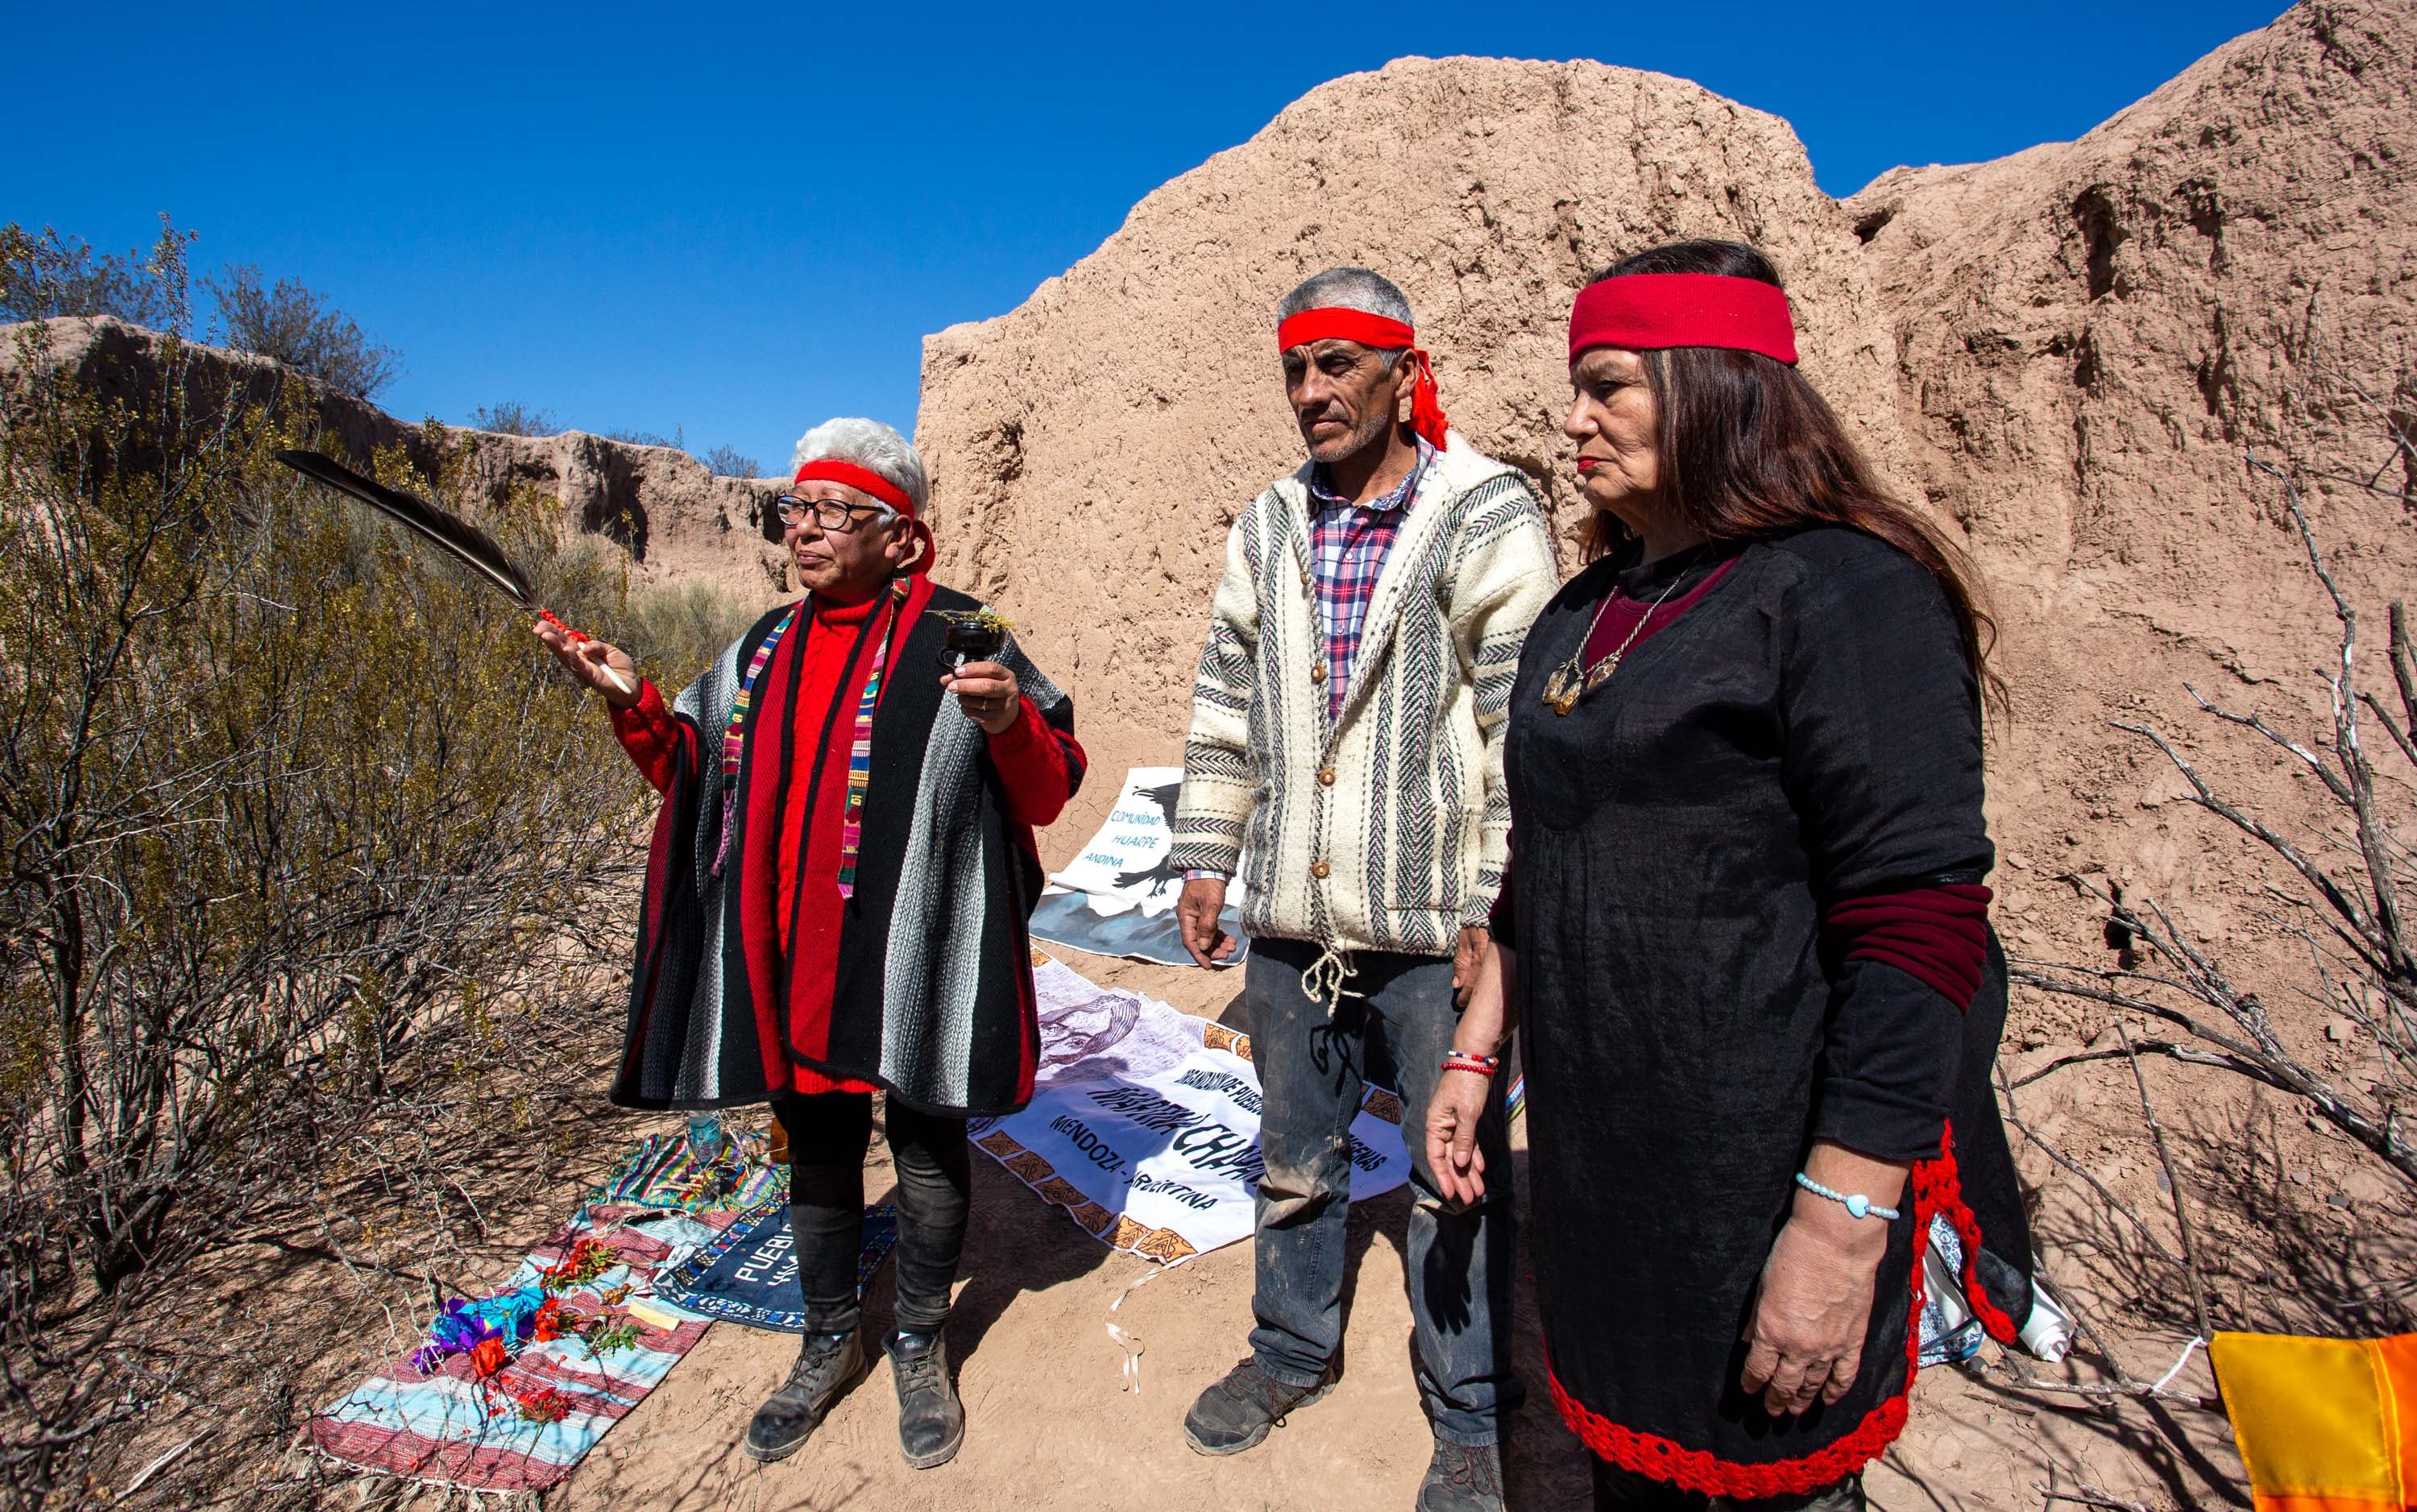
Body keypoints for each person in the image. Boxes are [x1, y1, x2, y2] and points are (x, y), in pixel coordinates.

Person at [1430, 241, 2043, 1512]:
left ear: (1715, 382)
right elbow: (1542, 861)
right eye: (1575, 386)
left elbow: (1919, 922)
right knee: (1631, 1470)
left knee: (1779, 1478)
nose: (1573, 418)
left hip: (1771, 1173)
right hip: (1613, 1164)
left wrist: (1837, 1227)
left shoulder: (1845, 591)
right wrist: (1477, 1052)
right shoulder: (1583, 612)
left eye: (1610, 384)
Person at [537, 416, 1085, 1472]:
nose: (807, 531)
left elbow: (1048, 789)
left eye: (834, 512)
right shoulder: (763, 646)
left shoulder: (971, 632)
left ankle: (920, 1345)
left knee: (926, 1147)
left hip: (923, 949)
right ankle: (833, 1338)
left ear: (900, 535)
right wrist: (635, 702)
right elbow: (697, 776)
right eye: (799, 509)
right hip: (798, 957)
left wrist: (1011, 719)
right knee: (821, 1149)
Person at [1170, 267, 1557, 1512]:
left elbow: (1520, 725)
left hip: (1433, 919)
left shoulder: (1483, 510)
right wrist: (1208, 853)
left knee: (1453, 1176)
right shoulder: (1272, 522)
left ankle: (1471, 1416)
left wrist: (1492, 909)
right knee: (1293, 1156)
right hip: (1293, 916)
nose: (1313, 392)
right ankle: (1291, 1349)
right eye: (1296, 368)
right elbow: (1226, 701)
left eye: (1340, 364)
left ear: (1405, 371)